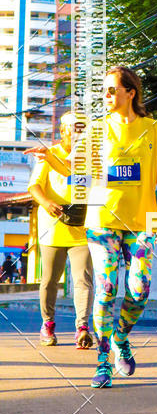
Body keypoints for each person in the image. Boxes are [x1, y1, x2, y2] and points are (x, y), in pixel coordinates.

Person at [27, 66, 157, 388]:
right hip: (102, 220)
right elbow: (73, 170)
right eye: (103, 91)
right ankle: (104, 359)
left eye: (111, 90)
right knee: (106, 289)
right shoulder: (96, 130)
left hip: (141, 222)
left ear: (130, 93)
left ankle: (121, 336)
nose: (106, 96)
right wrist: (49, 157)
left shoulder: (152, 129)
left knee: (140, 289)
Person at [28, 112, 94, 348]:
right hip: (52, 227)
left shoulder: (89, 157)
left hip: (82, 228)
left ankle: (82, 328)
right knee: (49, 281)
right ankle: (47, 324)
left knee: (83, 280)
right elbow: (35, 186)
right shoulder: (50, 154)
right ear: (63, 130)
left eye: (83, 128)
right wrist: (46, 203)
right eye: (75, 128)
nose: (79, 132)